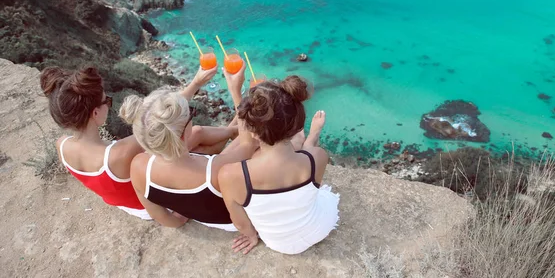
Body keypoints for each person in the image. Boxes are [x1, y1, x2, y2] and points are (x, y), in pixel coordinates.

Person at [40, 66, 235, 220]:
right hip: (151, 206)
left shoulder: (62, 145)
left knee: (196, 138)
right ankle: (238, 130)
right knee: (198, 134)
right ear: (95, 113)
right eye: (106, 100)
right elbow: (161, 119)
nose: (109, 103)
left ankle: (234, 129)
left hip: (126, 203)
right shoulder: (120, 153)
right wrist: (195, 83)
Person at [122, 62, 257, 230]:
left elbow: (168, 221)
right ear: (184, 134)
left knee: (221, 141)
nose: (192, 117)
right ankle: (234, 128)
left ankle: (232, 128)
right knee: (257, 139)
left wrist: (197, 83)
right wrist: (237, 93)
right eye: (191, 114)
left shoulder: (138, 166)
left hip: (203, 215)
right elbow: (248, 145)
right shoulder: (214, 168)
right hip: (230, 222)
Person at [218, 76, 339, 255]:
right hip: (318, 228)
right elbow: (312, 189)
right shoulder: (318, 158)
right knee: (310, 169)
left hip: (277, 242)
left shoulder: (230, 175)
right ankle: (312, 135)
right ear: (296, 126)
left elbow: (240, 222)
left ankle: (311, 137)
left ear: (252, 132)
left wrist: (251, 236)